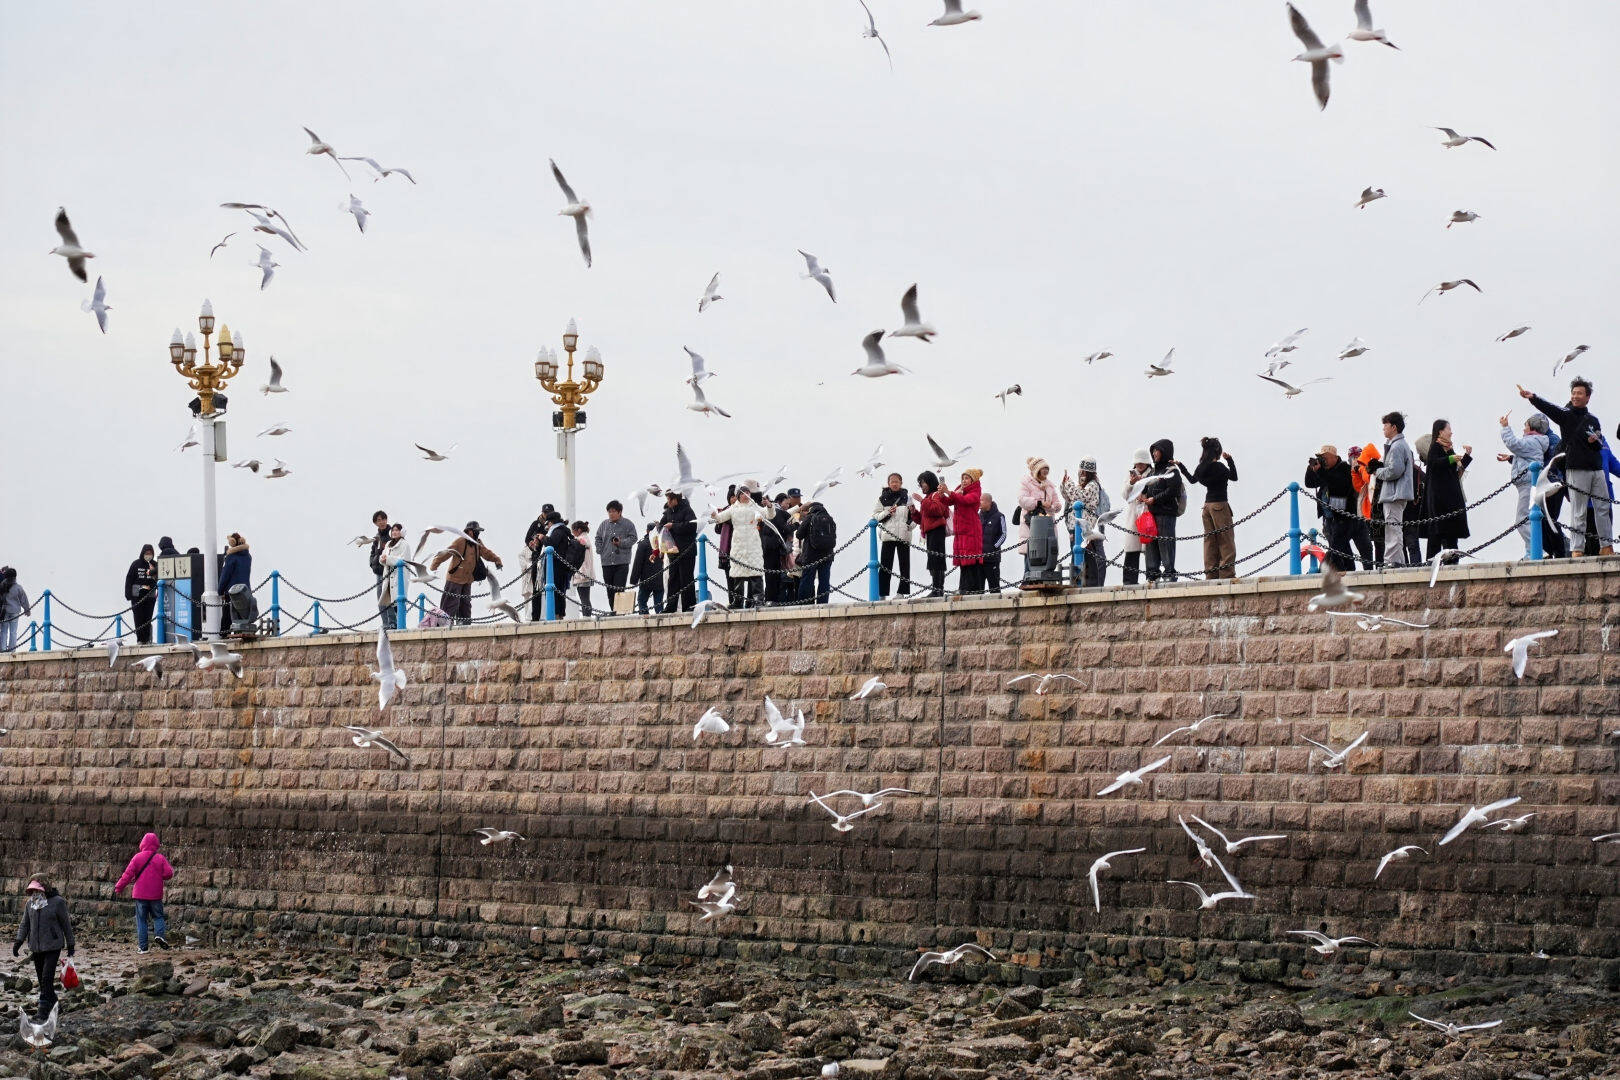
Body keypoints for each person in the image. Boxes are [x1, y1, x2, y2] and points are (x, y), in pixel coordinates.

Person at [1520, 377, 1612, 556]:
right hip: (1576, 469)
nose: (1575, 396)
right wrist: (1533, 398)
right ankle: (1577, 549)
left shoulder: (1593, 419)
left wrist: (1595, 440)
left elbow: (1598, 445)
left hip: (1596, 468)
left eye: (1579, 393)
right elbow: (1550, 408)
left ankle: (1606, 546)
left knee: (1603, 508)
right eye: (1573, 393)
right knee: (1579, 510)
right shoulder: (1566, 415)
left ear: (1588, 397)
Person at [1175, 437, 1238, 579]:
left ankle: (1211, 574)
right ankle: (1227, 574)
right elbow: (1234, 477)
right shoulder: (1220, 467)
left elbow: (1192, 480)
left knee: (1210, 542)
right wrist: (1230, 460)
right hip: (1220, 505)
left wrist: (1181, 466)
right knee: (1226, 540)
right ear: (1218, 451)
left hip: (1207, 507)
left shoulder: (1202, 468)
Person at [13, 878, 73, 1023]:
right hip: (36, 947)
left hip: (53, 946)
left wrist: (70, 944)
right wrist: (18, 942)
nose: (34, 893)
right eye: (32, 891)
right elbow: (24, 925)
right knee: (42, 981)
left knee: (47, 977)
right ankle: (55, 1005)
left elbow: (66, 924)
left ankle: (42, 1011)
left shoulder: (58, 902)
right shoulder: (30, 904)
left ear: (45, 888)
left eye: (37, 890)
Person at [1499, 412, 1551, 559]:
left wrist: (1505, 427)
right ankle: (1530, 552)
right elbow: (1525, 454)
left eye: (1526, 426)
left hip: (1527, 485)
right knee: (1530, 518)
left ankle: (1537, 551)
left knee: (1521, 520)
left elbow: (1513, 444)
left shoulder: (1532, 441)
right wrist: (1511, 458)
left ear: (1532, 427)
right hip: (1529, 484)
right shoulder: (1537, 441)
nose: (1523, 429)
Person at [428, 522, 503, 624]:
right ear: (470, 532)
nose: (478, 533)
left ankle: (464, 625)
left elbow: (486, 553)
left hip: (467, 580)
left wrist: (497, 560)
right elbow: (446, 553)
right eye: (476, 531)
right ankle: (443, 626)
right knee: (450, 604)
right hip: (454, 579)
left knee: (465, 605)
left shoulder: (477, 543)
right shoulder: (460, 541)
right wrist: (434, 566)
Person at [113, 832, 176, 953]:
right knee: (158, 916)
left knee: (141, 920)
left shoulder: (137, 857)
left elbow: (127, 875)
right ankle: (160, 936)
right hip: (156, 894)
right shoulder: (160, 858)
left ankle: (143, 948)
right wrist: (158, 876)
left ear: (143, 843)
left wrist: (119, 887)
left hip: (140, 895)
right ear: (156, 844)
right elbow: (169, 873)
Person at [1421, 420, 1473, 559]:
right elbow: (1434, 463)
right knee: (1436, 535)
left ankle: (1452, 564)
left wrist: (1467, 455)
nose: (1451, 432)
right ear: (1440, 431)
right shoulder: (1435, 447)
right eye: (1448, 429)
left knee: (1451, 535)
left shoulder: (1448, 448)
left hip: (1450, 500)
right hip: (1439, 502)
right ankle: (1432, 564)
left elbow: (1456, 468)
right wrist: (1450, 459)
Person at [711, 485, 767, 608]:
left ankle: (758, 600)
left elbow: (768, 514)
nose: (746, 495)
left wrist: (769, 506)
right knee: (737, 574)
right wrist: (714, 515)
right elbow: (720, 518)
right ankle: (737, 601)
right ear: (738, 496)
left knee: (756, 572)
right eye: (743, 493)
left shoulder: (754, 506)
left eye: (748, 492)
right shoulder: (733, 508)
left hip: (753, 543)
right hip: (738, 544)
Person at [1303, 444, 1355, 572]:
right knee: (1342, 547)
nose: (1323, 461)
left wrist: (1320, 471)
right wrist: (1311, 468)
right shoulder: (1324, 471)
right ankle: (1349, 571)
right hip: (1329, 518)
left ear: (1334, 457)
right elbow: (1309, 483)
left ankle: (1342, 571)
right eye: (1321, 458)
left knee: (1336, 547)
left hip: (1343, 516)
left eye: (1324, 458)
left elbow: (1338, 484)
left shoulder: (1343, 468)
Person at [1142, 440, 1184, 582]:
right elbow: (1145, 488)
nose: (1154, 453)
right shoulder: (1152, 472)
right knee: (1151, 544)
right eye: (1152, 451)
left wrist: (1155, 499)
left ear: (1164, 451)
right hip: (1152, 514)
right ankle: (1152, 573)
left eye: (1157, 450)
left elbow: (1172, 490)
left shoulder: (1172, 471)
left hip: (1166, 513)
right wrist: (1139, 488)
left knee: (1166, 544)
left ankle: (1169, 573)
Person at [1062, 457, 1107, 587]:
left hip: (1087, 527)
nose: (1081, 473)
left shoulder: (1092, 485)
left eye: (1083, 471)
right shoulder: (1084, 485)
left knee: (1090, 557)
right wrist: (1064, 485)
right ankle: (1077, 582)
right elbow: (1070, 497)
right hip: (1079, 527)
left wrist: (1069, 484)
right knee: (1079, 554)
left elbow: (1078, 497)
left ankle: (1091, 583)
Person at [1016, 457, 1063, 569]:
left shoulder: (1050, 486)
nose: (1046, 471)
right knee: (1031, 557)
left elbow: (1057, 504)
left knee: (1046, 555)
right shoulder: (1026, 482)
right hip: (1031, 524)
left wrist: (1054, 506)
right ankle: (1028, 581)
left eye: (1047, 468)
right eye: (1043, 468)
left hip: (1046, 525)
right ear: (1037, 470)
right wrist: (1039, 503)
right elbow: (1022, 500)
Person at [873, 474, 914, 599]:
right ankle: (882, 594)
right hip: (888, 536)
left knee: (904, 566)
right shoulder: (882, 498)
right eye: (892, 482)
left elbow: (913, 516)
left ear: (901, 483)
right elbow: (875, 516)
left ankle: (901, 593)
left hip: (903, 535)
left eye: (897, 481)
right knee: (885, 566)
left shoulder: (907, 497)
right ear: (888, 483)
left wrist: (908, 527)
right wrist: (887, 512)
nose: (894, 484)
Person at [943, 469, 984, 593]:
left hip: (971, 530)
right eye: (963, 478)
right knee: (963, 561)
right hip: (961, 532)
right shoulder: (960, 490)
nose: (964, 481)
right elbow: (949, 501)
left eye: (967, 478)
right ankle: (963, 587)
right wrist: (941, 494)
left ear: (973, 480)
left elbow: (966, 500)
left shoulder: (975, 491)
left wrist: (951, 493)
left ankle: (971, 588)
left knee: (971, 560)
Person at [594, 501, 638, 614]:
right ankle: (613, 611)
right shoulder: (604, 524)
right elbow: (598, 537)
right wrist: (600, 550)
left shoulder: (628, 524)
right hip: (606, 562)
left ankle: (620, 612)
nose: (611, 514)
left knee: (619, 588)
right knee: (609, 590)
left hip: (621, 562)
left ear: (620, 512)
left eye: (613, 511)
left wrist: (621, 543)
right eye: (609, 511)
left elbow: (633, 538)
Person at [660, 493, 699, 613]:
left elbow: (692, 526)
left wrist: (674, 526)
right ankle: (670, 606)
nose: (668, 502)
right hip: (673, 551)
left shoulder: (687, 510)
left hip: (687, 551)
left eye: (669, 499)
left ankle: (689, 606)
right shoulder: (667, 512)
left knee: (686, 579)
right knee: (673, 580)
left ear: (675, 499)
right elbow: (661, 526)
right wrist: (660, 527)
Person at [912, 472, 949, 597]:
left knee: (937, 560)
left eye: (923, 483)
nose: (922, 486)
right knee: (933, 560)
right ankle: (936, 588)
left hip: (937, 531)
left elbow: (938, 510)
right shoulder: (929, 497)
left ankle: (938, 589)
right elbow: (923, 519)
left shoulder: (936, 495)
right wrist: (914, 512)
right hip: (930, 532)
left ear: (930, 482)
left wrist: (922, 501)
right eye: (920, 483)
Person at [795, 499, 837, 604]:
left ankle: (803, 603)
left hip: (811, 555)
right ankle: (823, 604)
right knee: (824, 581)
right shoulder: (829, 519)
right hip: (827, 556)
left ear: (811, 509)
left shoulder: (810, 517)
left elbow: (799, 535)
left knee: (807, 580)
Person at [1120, 451, 1152, 585]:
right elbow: (1124, 495)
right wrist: (1131, 484)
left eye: (1141, 462)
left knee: (1149, 549)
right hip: (1133, 514)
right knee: (1132, 549)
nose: (1139, 465)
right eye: (1137, 462)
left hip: (1147, 512)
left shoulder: (1153, 474)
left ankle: (1151, 577)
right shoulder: (1130, 475)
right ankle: (1129, 581)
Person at [1352, 442, 1383, 569]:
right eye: (1353, 458)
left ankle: (1380, 566)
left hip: (1376, 511)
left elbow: (1368, 479)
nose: (1355, 461)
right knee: (1374, 544)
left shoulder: (1375, 467)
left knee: (1379, 543)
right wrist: (1355, 472)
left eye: (1358, 458)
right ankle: (1374, 567)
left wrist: (1360, 469)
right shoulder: (1360, 470)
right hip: (1367, 513)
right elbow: (1358, 486)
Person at [376, 523, 411, 621]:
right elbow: (383, 556)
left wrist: (387, 559)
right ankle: (393, 623)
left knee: (399, 601)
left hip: (399, 576)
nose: (394, 532)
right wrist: (382, 559)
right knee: (390, 601)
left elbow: (403, 560)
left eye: (397, 530)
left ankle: (401, 624)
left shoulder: (405, 544)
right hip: (389, 576)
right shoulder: (388, 544)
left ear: (402, 532)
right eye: (393, 530)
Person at [124, 544, 159, 644]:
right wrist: (128, 594)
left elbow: (159, 578)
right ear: (143, 553)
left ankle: (147, 639)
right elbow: (129, 579)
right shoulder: (135, 564)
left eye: (150, 553)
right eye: (146, 553)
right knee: (138, 618)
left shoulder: (155, 565)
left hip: (150, 596)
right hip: (137, 595)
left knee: (147, 618)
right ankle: (140, 639)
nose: (148, 555)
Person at [629, 522, 665, 614]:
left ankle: (645, 619)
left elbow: (638, 563)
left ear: (647, 531)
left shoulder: (643, 544)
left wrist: (634, 580)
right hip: (660, 578)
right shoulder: (662, 543)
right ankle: (660, 619)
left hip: (646, 579)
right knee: (659, 603)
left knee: (642, 601)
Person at [979, 490, 1006, 592]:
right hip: (979, 558)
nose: (979, 502)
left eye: (981, 500)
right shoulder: (978, 516)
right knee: (978, 589)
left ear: (988, 502)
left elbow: (1003, 534)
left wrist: (994, 546)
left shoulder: (1000, 516)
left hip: (992, 558)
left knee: (994, 587)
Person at [1, 567, 30, 652]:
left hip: (4, 611)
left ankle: (2, 649)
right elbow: (23, 599)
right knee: (13, 632)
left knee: (4, 631)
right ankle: (12, 650)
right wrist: (27, 610)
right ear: (15, 577)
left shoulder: (2, 586)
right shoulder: (18, 588)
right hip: (15, 612)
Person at [570, 521, 595, 616]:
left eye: (573, 530)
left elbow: (581, 557)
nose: (572, 533)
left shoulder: (581, 540)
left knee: (584, 598)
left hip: (582, 572)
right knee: (585, 598)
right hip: (585, 572)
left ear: (579, 530)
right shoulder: (585, 538)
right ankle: (586, 616)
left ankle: (586, 617)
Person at [219, 533, 251, 597]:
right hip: (246, 592)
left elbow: (225, 575)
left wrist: (220, 591)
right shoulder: (248, 556)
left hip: (232, 593)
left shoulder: (231, 557)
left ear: (232, 542)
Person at [367, 511, 391, 589]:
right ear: (375, 523)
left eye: (384, 519)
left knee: (392, 597)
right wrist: (372, 564)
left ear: (386, 520)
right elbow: (372, 553)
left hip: (390, 572)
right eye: (379, 520)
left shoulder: (393, 534)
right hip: (379, 572)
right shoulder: (376, 538)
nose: (382, 522)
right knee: (381, 598)